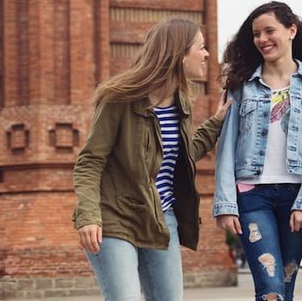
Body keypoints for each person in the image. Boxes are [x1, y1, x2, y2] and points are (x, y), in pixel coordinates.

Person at [73, 18, 231, 301]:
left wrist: (215, 123)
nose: (207, 55)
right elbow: (90, 161)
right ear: (179, 54)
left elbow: (180, 158)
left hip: (161, 218)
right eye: (201, 47)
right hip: (115, 217)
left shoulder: (181, 101)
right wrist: (87, 216)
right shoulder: (119, 98)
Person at [212, 2, 302, 301]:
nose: (262, 39)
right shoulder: (241, 85)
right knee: (271, 290)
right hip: (252, 195)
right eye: (256, 34)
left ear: (291, 31)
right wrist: (226, 203)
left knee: (285, 286)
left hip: (296, 196)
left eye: (270, 31)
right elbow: (226, 146)